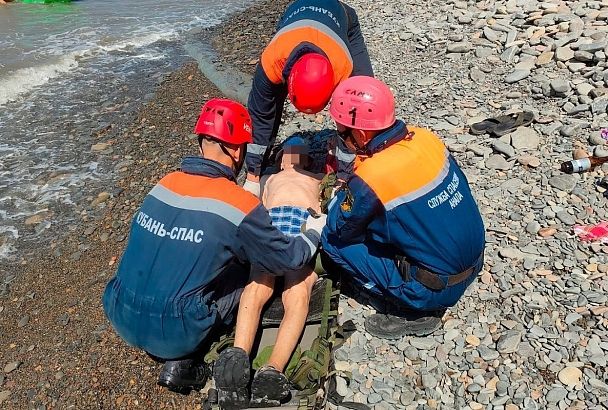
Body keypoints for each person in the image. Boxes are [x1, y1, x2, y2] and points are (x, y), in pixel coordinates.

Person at [102, 99, 326, 394]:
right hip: (176, 333)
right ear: (236, 150)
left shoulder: (164, 184)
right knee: (248, 271)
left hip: (119, 311)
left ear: (201, 143)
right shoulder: (237, 203)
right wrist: (312, 233)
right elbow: (287, 259)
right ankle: (185, 362)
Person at [322, 77, 486, 339]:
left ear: (362, 134)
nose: (341, 138)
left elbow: (339, 229)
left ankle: (412, 311)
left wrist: (339, 197)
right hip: (475, 260)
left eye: (343, 133)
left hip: (435, 288)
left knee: (332, 243)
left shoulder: (371, 176)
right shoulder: (425, 138)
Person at [213, 136, 324, 408]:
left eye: (299, 153)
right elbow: (251, 202)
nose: (294, 156)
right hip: (271, 227)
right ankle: (238, 357)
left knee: (297, 292)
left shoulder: (315, 176)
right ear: (279, 158)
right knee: (257, 287)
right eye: (289, 151)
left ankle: (273, 369)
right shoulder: (269, 178)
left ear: (308, 159)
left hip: (302, 226)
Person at [242, 0, 374, 197]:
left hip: (340, 15)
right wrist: (252, 176)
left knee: (364, 102)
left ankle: (368, 156)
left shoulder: (344, 69)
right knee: (269, 105)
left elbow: (350, 122)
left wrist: (343, 178)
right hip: (296, 13)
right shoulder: (272, 61)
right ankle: (258, 166)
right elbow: (261, 116)